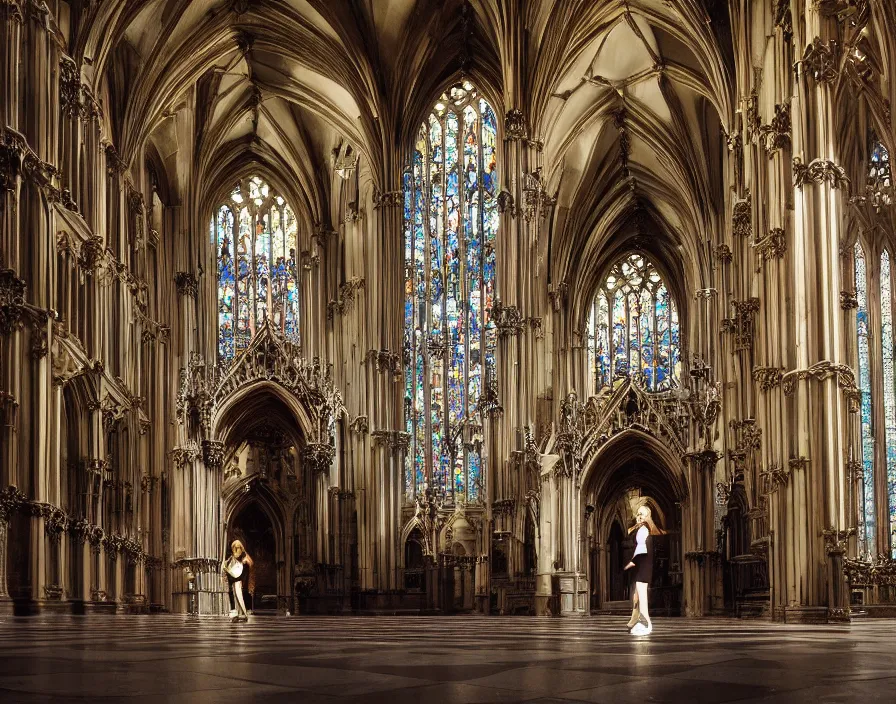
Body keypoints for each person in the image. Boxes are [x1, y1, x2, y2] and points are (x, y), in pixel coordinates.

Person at [623, 504, 662, 635]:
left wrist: (632, 562)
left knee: (642, 595)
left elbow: (641, 549)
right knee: (637, 595)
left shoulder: (643, 529)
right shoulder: (643, 529)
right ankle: (636, 620)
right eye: (638, 513)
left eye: (642, 514)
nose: (639, 516)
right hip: (643, 566)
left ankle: (646, 623)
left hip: (643, 566)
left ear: (647, 516)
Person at [222, 539, 254, 622]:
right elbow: (226, 565)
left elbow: (249, 565)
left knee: (239, 594)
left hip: (240, 579)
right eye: (234, 548)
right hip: (233, 578)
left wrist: (245, 562)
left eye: (237, 547)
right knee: (234, 594)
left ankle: (243, 614)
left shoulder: (244, 557)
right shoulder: (232, 557)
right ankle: (237, 614)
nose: (236, 550)